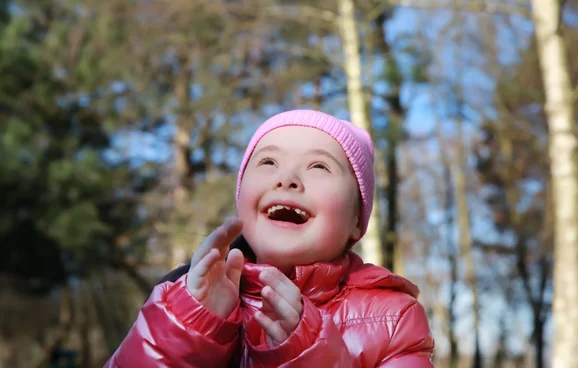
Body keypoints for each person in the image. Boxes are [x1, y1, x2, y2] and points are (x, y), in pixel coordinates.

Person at [105, 109, 435, 367]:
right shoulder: (180, 298)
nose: (287, 179)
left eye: (319, 166)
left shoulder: (395, 319)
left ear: (355, 221)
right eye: (268, 161)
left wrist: (310, 355)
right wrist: (189, 326)